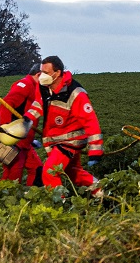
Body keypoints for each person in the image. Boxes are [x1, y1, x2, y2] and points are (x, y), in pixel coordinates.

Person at [38, 55, 103, 195]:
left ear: (58, 73)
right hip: (57, 140)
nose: (42, 76)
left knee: (50, 172)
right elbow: (37, 106)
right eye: (41, 72)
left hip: (70, 142)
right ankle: (101, 191)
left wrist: (95, 151)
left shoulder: (76, 93)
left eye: (46, 73)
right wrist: (26, 120)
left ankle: (59, 206)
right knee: (73, 173)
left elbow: (90, 121)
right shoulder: (45, 89)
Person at [0, 64, 44, 185]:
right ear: (39, 75)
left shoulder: (35, 88)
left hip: (25, 142)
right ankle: (2, 201)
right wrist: (7, 134)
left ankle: (32, 199)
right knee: (12, 177)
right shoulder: (25, 85)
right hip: (16, 141)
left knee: (38, 170)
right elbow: (5, 105)